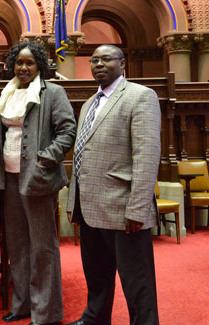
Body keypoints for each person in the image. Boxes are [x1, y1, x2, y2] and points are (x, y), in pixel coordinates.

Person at [65, 44, 161, 325]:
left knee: (137, 280)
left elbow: (146, 156)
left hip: (123, 207)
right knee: (96, 274)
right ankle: (95, 318)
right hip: (89, 206)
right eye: (94, 60)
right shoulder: (88, 104)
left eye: (106, 59)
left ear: (123, 64)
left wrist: (138, 208)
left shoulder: (140, 96)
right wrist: (74, 202)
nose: (98, 64)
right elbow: (82, 154)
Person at [0, 41, 76, 325]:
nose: (23, 67)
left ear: (39, 64)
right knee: (17, 245)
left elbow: (67, 131)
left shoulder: (53, 92)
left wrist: (45, 160)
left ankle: (46, 313)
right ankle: (23, 304)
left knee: (42, 246)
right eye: (19, 62)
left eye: (29, 63)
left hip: (38, 178)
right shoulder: (8, 92)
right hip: (10, 178)